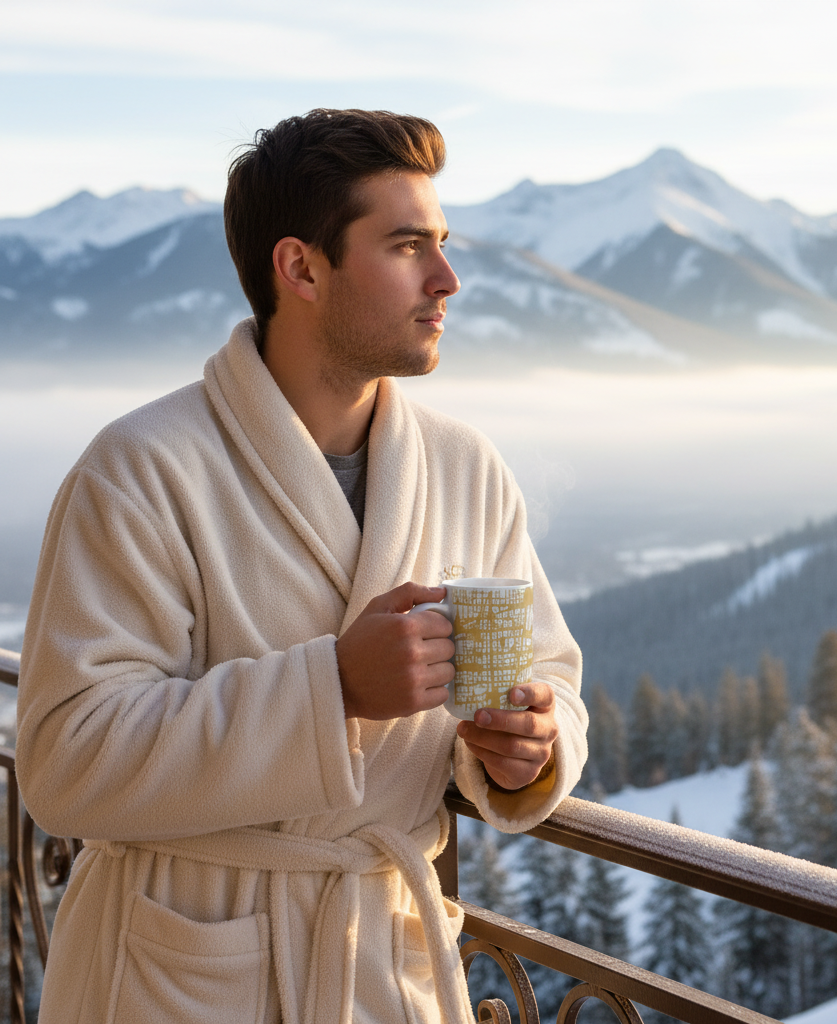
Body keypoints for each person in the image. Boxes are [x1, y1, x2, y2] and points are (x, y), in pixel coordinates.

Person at [16, 109, 587, 1024]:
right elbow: (64, 761)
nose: (448, 278)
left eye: (440, 243)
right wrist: (331, 689)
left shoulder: (466, 466)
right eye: (407, 246)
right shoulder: (140, 469)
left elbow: (547, 674)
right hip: (184, 968)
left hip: (385, 964)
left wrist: (529, 751)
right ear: (301, 268)